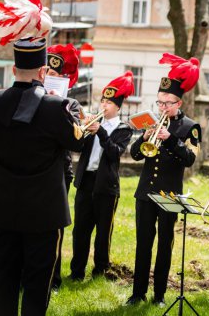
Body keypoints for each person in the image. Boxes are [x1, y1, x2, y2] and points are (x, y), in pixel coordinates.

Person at [0, 38, 83, 315]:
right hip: (44, 212)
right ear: (43, 72)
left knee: (4, 275)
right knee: (37, 283)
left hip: (7, 207)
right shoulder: (56, 108)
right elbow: (77, 144)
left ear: (13, 70)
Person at [126, 53, 201, 306]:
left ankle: (158, 295)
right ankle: (137, 293)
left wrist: (170, 139)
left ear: (178, 103)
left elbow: (190, 159)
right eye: (159, 102)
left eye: (167, 103)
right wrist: (144, 138)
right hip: (145, 192)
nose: (163, 107)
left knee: (164, 246)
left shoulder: (191, 127)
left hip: (169, 194)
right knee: (143, 244)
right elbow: (136, 155)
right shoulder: (153, 122)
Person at [69, 71, 135, 282]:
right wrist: (85, 129)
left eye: (108, 102)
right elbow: (77, 146)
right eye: (102, 101)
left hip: (106, 185)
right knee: (80, 230)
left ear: (117, 107)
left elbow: (115, 153)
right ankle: (77, 271)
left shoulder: (123, 129)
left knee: (103, 231)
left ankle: (100, 270)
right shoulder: (92, 123)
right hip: (86, 181)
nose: (104, 105)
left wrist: (101, 132)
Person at [45, 43, 80, 290]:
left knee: (55, 225)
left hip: (59, 171)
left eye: (55, 76)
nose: (49, 78)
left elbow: (77, 140)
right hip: (35, 167)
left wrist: (60, 107)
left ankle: (53, 279)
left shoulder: (72, 104)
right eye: (47, 73)